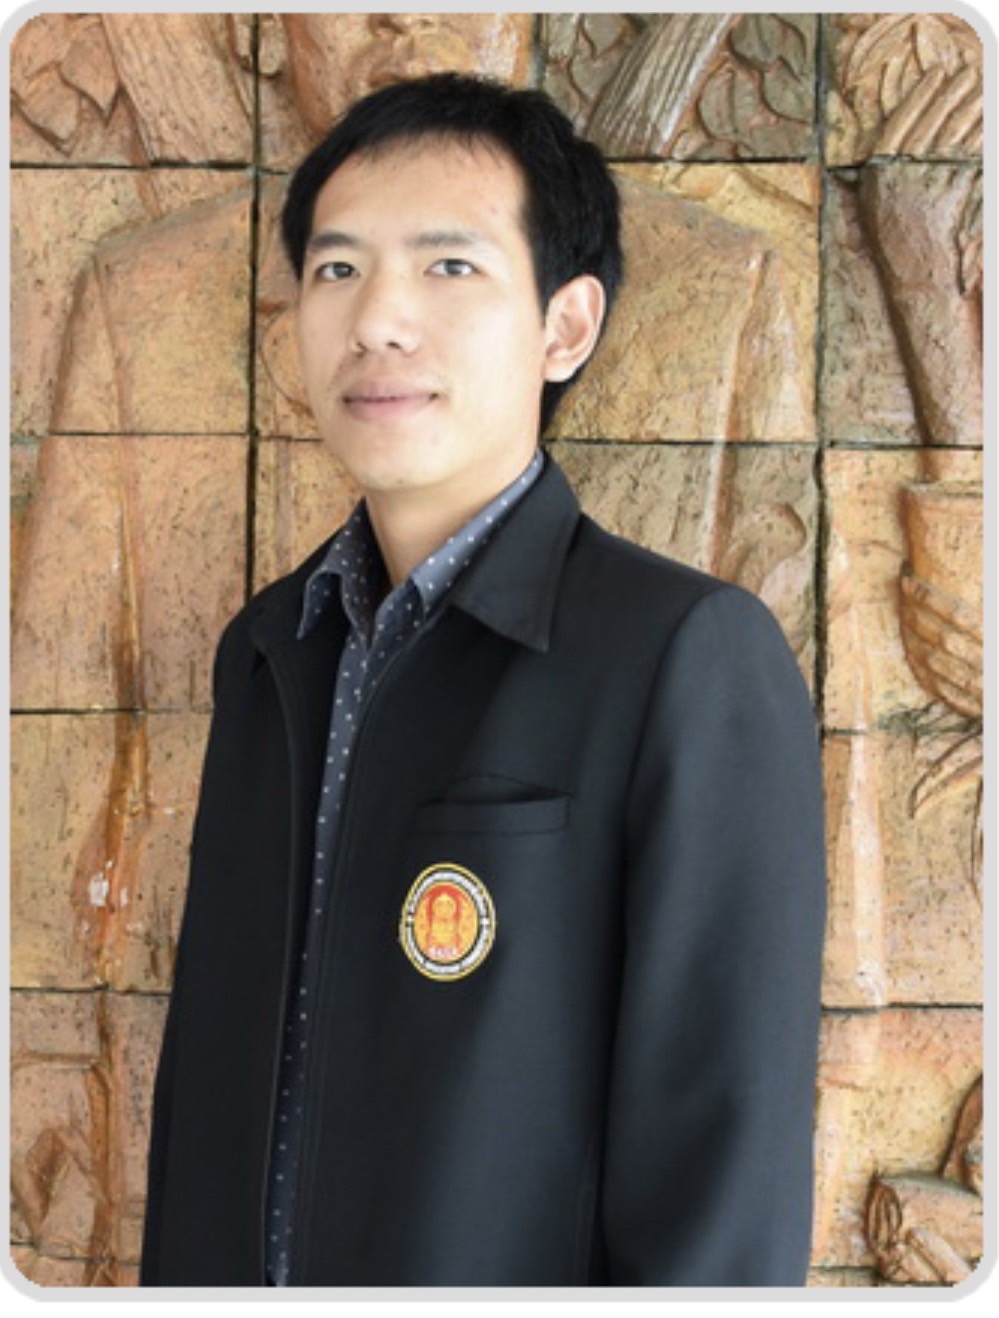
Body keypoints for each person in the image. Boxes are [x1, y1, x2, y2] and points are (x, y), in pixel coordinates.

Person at [140, 73, 826, 1288]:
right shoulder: (269, 650)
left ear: (566, 326)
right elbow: (209, 1091)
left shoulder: (686, 654)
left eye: (449, 266)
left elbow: (724, 1168)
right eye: (338, 269)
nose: (378, 320)